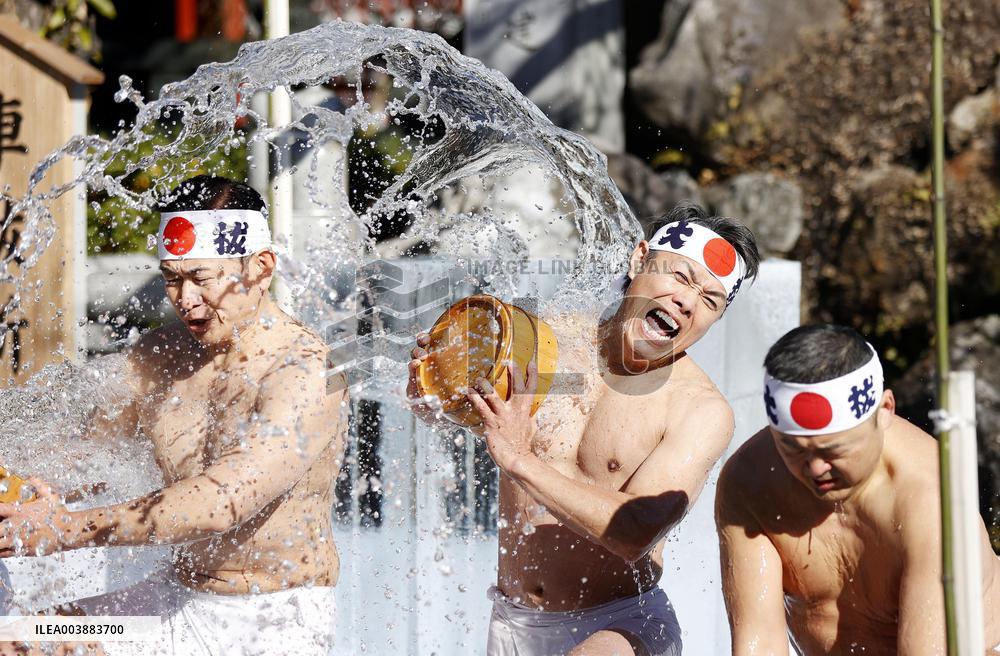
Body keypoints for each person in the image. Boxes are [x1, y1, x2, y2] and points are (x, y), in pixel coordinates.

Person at [0, 176, 346, 655]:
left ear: (260, 267)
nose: (184, 299)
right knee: (18, 642)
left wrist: (64, 531)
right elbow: (89, 454)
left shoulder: (307, 370)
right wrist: (35, 494)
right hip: (168, 599)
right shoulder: (158, 355)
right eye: (171, 278)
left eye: (201, 278)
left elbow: (220, 504)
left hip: (271, 621)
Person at [409, 202, 761, 655]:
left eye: (709, 301)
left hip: (619, 626)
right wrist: (434, 391)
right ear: (638, 260)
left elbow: (635, 530)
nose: (687, 301)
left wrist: (521, 461)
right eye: (681, 277)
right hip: (513, 623)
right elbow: (468, 414)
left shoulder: (698, 410)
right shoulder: (547, 343)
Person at [715, 324, 1000, 655]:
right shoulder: (750, 480)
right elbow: (759, 642)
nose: (815, 468)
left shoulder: (929, 501)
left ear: (885, 412)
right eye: (793, 448)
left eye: (833, 450)